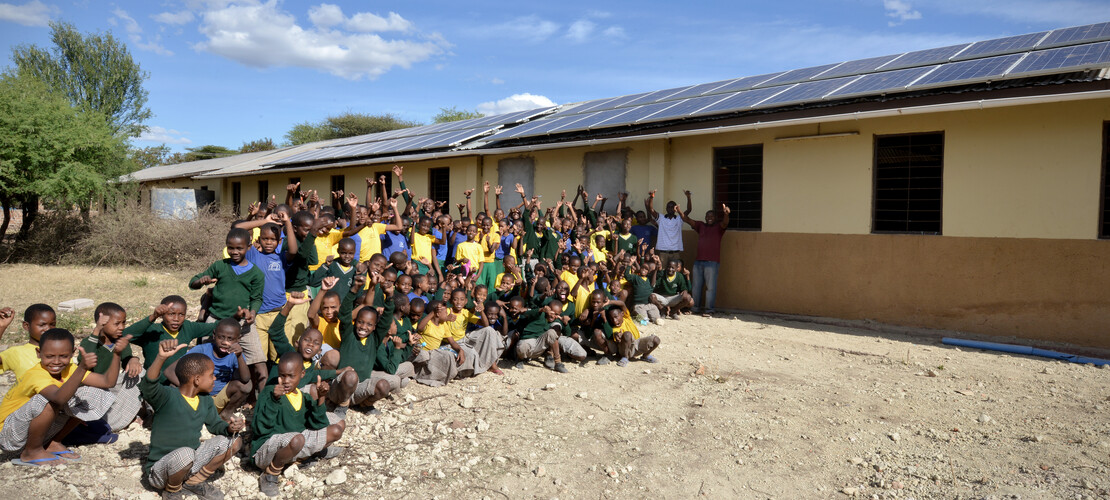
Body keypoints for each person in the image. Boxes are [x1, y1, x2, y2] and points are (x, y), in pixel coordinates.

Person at [0, 328, 120, 466]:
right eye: (49, 356)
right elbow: (59, 399)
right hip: (8, 436)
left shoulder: (70, 369)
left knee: (89, 395)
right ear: (39, 353)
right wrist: (82, 368)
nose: (56, 361)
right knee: (48, 400)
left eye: (63, 356)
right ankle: (31, 452)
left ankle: (53, 443)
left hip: (29, 433)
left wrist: (117, 354)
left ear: (72, 353)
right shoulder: (36, 375)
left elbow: (107, 382)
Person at [142, 341, 244, 500]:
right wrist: (161, 358)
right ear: (197, 379)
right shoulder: (167, 396)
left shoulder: (205, 400)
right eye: (211, 375)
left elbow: (215, 425)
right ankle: (172, 490)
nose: (215, 378)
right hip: (161, 471)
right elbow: (148, 386)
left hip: (189, 463)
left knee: (235, 441)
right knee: (186, 454)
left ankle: (193, 482)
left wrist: (230, 428)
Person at [252, 352, 346, 497]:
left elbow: (318, 424)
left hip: (295, 443)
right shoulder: (270, 392)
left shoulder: (304, 397)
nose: (286, 381)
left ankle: (300, 459)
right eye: (282, 375)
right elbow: (260, 429)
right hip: (266, 450)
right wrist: (274, 400)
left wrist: (321, 398)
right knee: (297, 439)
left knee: (337, 429)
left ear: (302, 374)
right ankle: (270, 474)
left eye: (291, 376)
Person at [73, 303, 142, 443]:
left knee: (141, 374)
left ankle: (124, 416)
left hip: (113, 386)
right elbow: (86, 361)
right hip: (94, 390)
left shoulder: (120, 341)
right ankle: (119, 419)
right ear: (102, 323)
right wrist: (96, 330)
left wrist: (134, 360)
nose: (121, 327)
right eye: (117, 323)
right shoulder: (89, 342)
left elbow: (127, 361)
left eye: (124, 322)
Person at [164, 318, 251, 421]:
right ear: (214, 335)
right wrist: (191, 389)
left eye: (230, 339)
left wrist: (239, 356)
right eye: (221, 337)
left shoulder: (235, 355)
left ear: (238, 339)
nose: (225, 342)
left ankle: (225, 414)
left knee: (246, 385)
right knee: (173, 386)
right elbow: (169, 371)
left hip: (217, 400)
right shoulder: (202, 350)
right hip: (196, 398)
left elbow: (245, 379)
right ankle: (179, 415)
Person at [126, 296, 217, 382]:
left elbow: (216, 327)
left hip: (176, 382)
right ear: (161, 315)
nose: (176, 319)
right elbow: (124, 335)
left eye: (181, 314)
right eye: (171, 314)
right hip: (153, 382)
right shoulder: (151, 331)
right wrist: (153, 316)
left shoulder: (187, 327)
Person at [680, 191, 730, 316]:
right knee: (696, 287)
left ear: (715, 218)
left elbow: (725, 223)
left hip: (712, 263)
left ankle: (709, 310)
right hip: (698, 262)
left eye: (712, 216)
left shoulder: (719, 228)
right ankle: (694, 308)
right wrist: (680, 209)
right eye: (707, 216)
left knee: (710, 288)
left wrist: (726, 214)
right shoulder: (701, 226)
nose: (709, 218)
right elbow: (686, 219)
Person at [509, 298, 569, 373]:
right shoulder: (540, 314)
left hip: (539, 345)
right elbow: (527, 314)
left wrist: (566, 324)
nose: (553, 316)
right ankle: (520, 359)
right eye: (552, 312)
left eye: (556, 314)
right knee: (522, 347)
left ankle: (558, 362)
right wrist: (541, 310)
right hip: (528, 341)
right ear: (548, 309)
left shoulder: (557, 320)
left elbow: (568, 334)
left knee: (552, 333)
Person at [0, 304, 55, 380]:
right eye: (42, 325)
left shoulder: (62, 350)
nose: (48, 329)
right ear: (26, 326)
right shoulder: (16, 353)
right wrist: (2, 326)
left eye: (52, 324)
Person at [646, 190, 684, 267]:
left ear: (675, 208)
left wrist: (688, 197)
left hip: (675, 253)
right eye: (668, 207)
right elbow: (651, 210)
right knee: (661, 271)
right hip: (663, 253)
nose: (670, 209)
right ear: (666, 208)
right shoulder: (661, 218)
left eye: (672, 207)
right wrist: (651, 197)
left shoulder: (679, 219)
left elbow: (689, 210)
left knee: (676, 272)